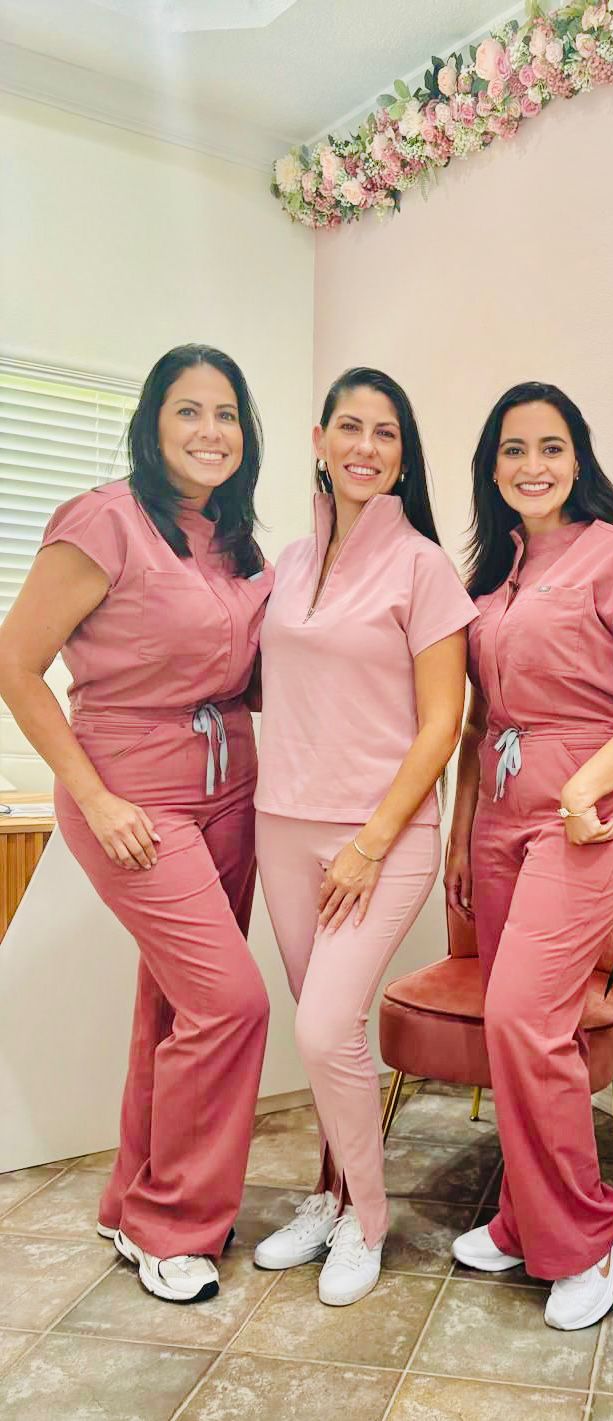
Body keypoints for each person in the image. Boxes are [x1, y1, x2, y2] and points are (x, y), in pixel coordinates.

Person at [0, 345, 274, 1303]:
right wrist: (97, 796)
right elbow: (17, 664)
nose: (210, 432)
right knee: (232, 1003)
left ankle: (131, 1201)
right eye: (189, 412)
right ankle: (175, 1224)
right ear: (153, 423)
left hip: (230, 788)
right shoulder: (103, 521)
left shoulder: (237, 542)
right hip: (133, 792)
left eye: (227, 415)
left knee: (175, 1006)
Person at [445, 382, 613, 1330]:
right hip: (502, 811)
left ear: (579, 457)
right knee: (514, 1023)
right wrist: (467, 827)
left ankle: (590, 1227)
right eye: (513, 449)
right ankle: (522, 1216)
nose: (532, 465)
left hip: (586, 813)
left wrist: (587, 785)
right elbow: (476, 721)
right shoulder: (494, 573)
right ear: (493, 466)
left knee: (522, 1015)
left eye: (551, 446)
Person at [250, 368, 475, 1306]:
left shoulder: (422, 564)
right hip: (281, 826)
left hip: (378, 837)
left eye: (387, 434)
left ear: (402, 455)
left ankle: (369, 1221)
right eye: (351, 427)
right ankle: (327, 1193)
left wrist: (372, 840)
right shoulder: (289, 564)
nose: (367, 447)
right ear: (318, 438)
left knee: (322, 1023)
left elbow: (443, 719)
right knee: (324, 1037)